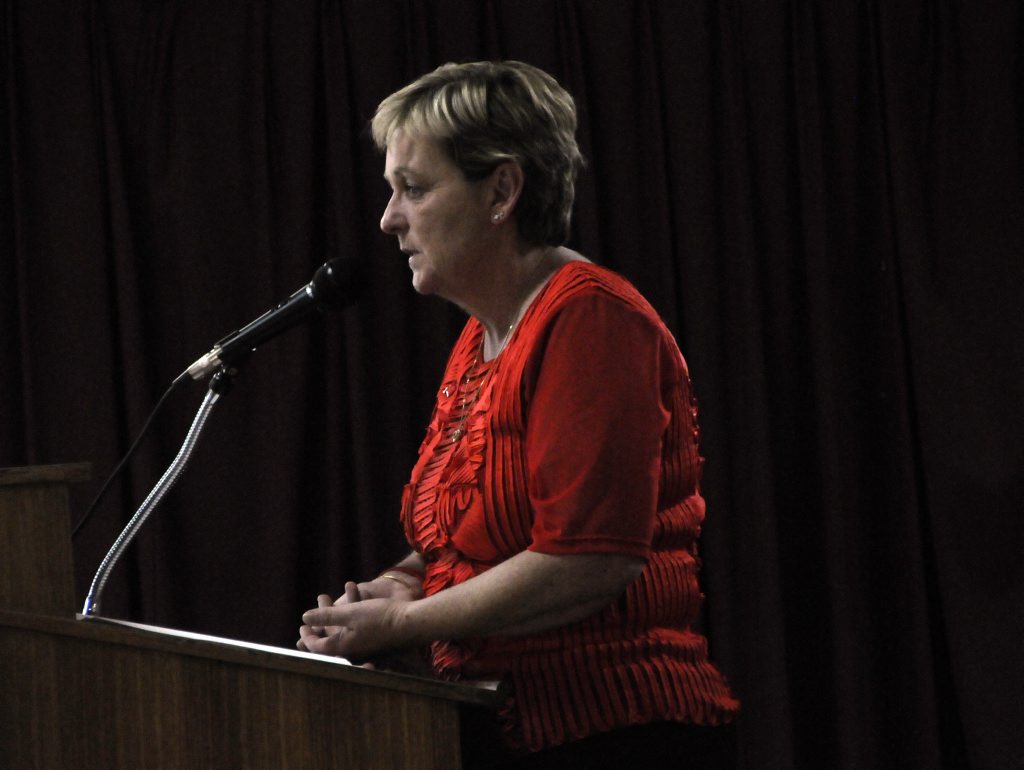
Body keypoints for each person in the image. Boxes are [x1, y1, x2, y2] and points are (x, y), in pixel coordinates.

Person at [298, 60, 740, 768]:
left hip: (614, 735)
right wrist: (401, 582)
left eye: (412, 189)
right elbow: (470, 537)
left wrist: (402, 622)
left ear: (502, 189)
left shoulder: (591, 320)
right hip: (496, 726)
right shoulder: (480, 339)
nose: (388, 219)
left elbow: (588, 560)